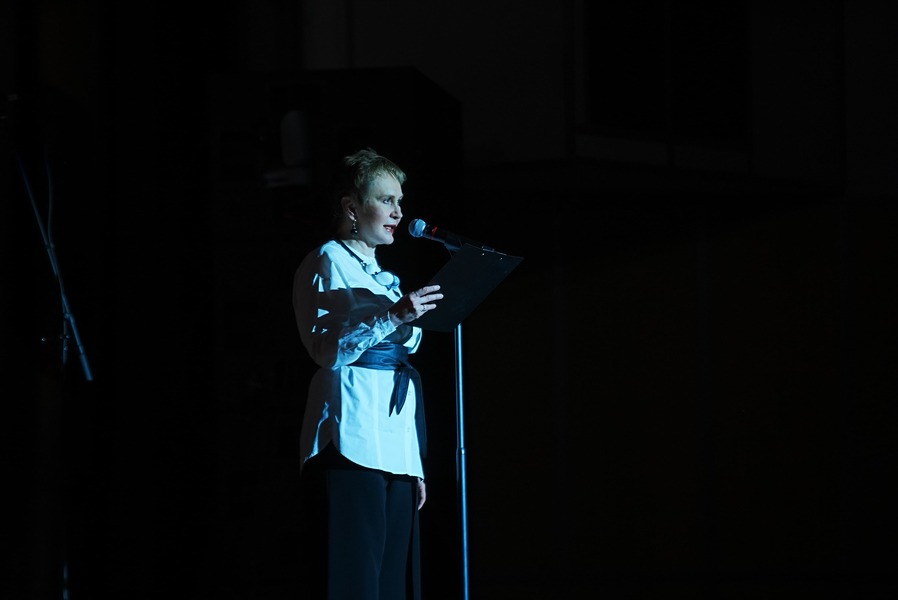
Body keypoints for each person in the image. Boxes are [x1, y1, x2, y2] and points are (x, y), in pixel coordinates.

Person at [292, 148, 444, 599]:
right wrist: (392, 317)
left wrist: (413, 462)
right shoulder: (327, 260)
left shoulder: (385, 278)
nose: (398, 212)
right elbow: (326, 351)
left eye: (400, 202)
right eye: (386, 200)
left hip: (395, 443)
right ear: (352, 207)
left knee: (391, 583)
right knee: (355, 579)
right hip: (352, 432)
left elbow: (400, 361)